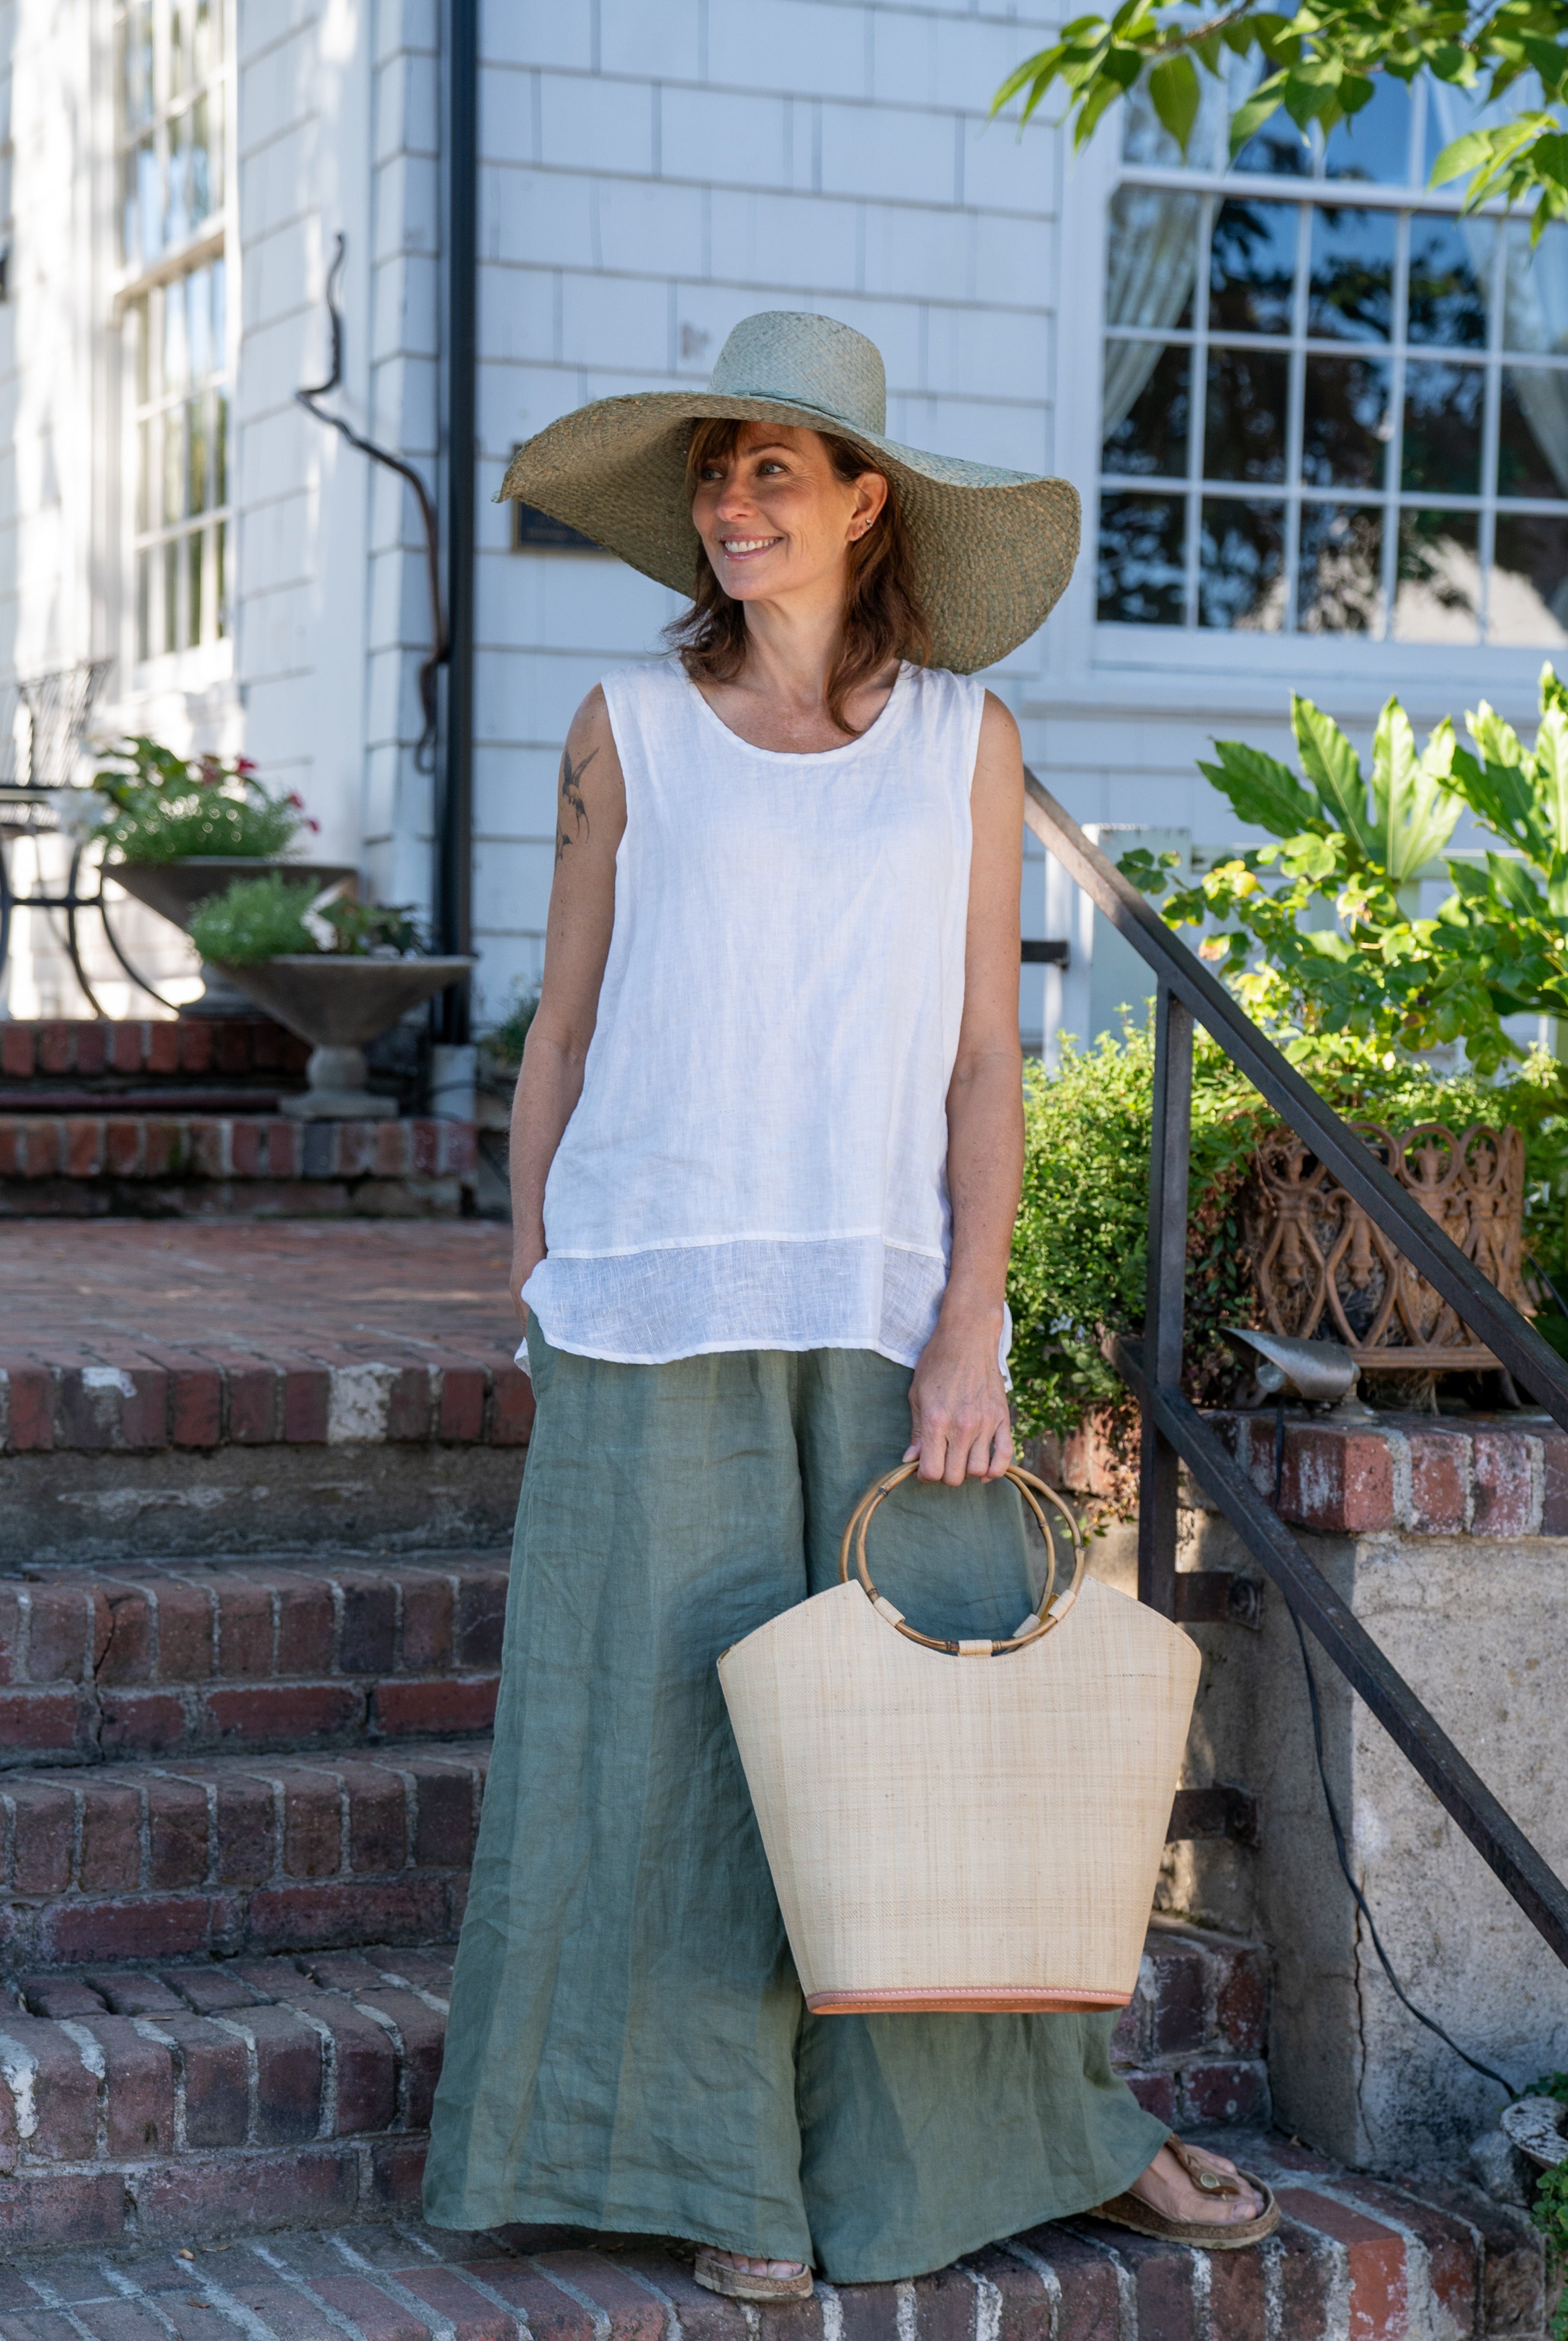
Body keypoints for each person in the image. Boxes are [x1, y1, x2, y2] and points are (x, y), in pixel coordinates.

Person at [422, 312, 1277, 2295]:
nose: (733, 508)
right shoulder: (621, 732)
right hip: (649, 1302)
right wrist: (533, 1267)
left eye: (773, 473)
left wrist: (971, 1318)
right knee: (655, 1757)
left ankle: (1011, 2142)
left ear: (866, 501)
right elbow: (562, 1028)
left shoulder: (965, 746)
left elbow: (985, 1058)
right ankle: (719, 2180)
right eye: (713, 477)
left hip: (888, 1318)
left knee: (926, 1761)